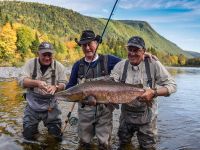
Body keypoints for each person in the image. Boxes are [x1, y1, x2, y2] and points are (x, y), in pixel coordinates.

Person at [110, 36, 177, 150]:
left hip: (148, 118)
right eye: (130, 49)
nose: (132, 53)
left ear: (143, 51)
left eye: (136, 50)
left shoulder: (153, 64)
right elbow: (110, 84)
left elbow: (172, 86)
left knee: (148, 147)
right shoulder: (121, 66)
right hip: (126, 117)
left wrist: (154, 92)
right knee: (123, 144)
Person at [66, 30, 121, 150]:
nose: (87, 48)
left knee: (104, 145)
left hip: (105, 111)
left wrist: (145, 55)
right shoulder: (77, 65)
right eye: (83, 45)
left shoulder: (109, 60)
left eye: (89, 44)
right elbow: (69, 87)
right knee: (84, 144)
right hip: (85, 111)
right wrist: (83, 98)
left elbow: (128, 64)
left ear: (96, 43)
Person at [18, 42, 66, 141]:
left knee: (56, 135)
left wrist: (56, 87)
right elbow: (21, 81)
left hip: (51, 106)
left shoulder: (59, 66)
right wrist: (37, 83)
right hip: (32, 106)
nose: (47, 58)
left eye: (50, 55)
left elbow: (64, 83)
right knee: (28, 135)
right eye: (44, 55)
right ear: (38, 53)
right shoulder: (30, 64)